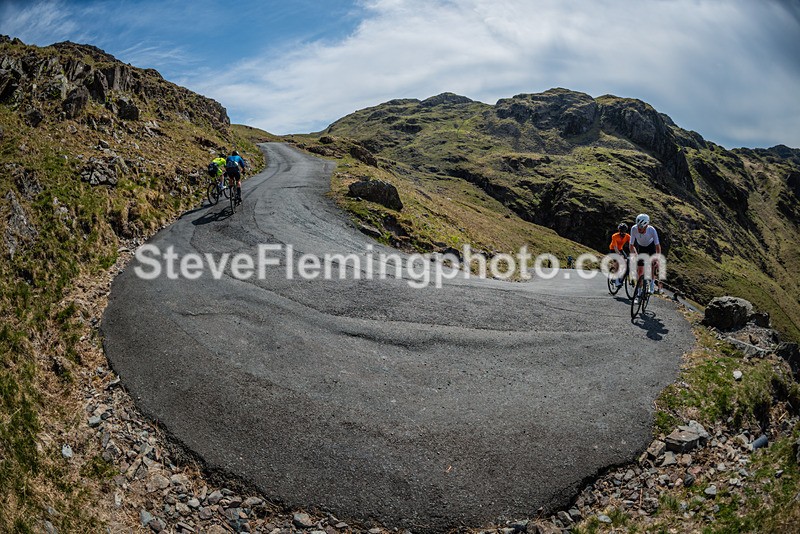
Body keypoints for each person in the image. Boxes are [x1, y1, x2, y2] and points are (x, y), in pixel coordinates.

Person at [629, 213, 662, 296]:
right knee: (639, 271)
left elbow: (657, 246)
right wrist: (634, 254)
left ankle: (652, 283)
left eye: (641, 227)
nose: (639, 229)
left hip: (651, 246)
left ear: (647, 225)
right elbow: (631, 245)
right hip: (641, 247)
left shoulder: (652, 230)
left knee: (653, 264)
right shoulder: (634, 229)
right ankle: (639, 293)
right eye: (638, 226)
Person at [608, 223, 631, 287]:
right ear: (619, 230)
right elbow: (615, 247)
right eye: (621, 231)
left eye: (624, 231)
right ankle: (616, 279)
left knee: (626, 262)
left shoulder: (628, 236)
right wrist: (619, 255)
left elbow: (631, 245)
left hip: (620, 249)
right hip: (613, 249)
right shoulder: (614, 236)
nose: (622, 232)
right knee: (617, 262)